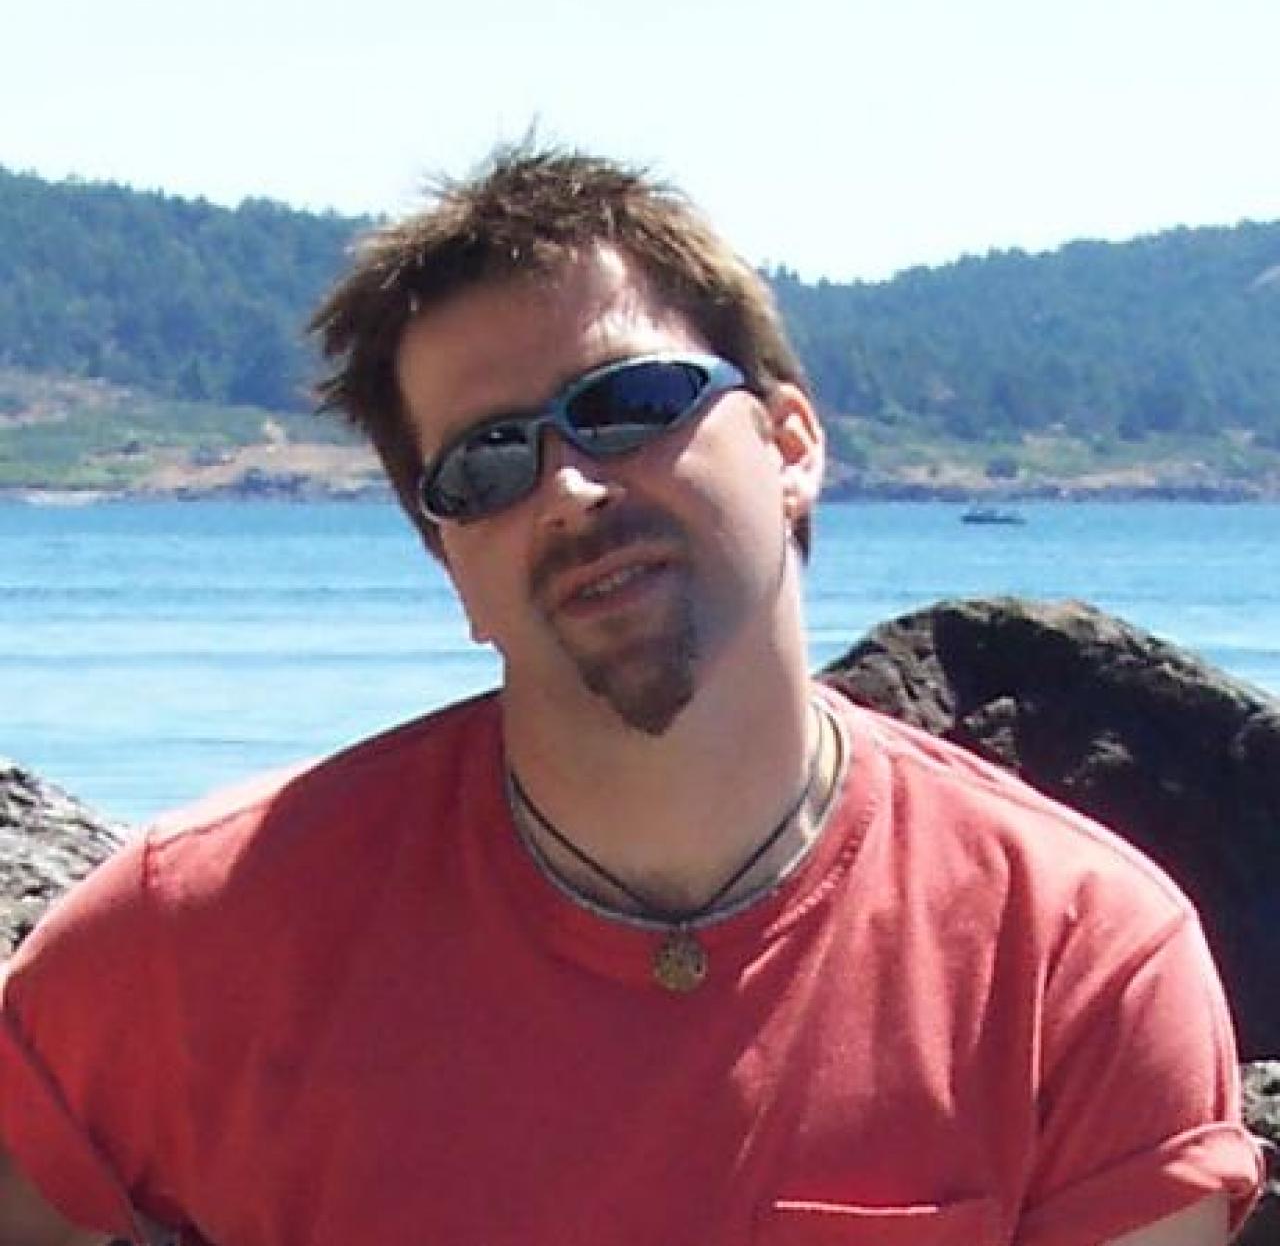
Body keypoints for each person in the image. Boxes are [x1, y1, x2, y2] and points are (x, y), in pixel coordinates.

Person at [0, 145, 1264, 1246]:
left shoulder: (1071, 957)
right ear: (452, 567)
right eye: (486, 462)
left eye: (627, 402)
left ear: (788, 444)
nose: (567, 487)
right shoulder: (200, 931)